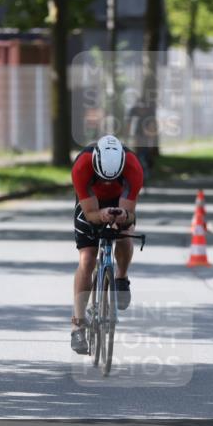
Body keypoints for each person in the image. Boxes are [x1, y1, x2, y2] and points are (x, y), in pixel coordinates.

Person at [69, 135, 144, 355]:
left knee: (124, 235)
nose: (109, 180)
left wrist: (122, 215)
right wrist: (99, 215)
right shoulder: (81, 166)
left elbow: (129, 215)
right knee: (87, 258)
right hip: (91, 203)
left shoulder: (133, 168)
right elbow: (90, 214)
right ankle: (78, 324)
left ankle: (121, 277)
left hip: (120, 200)